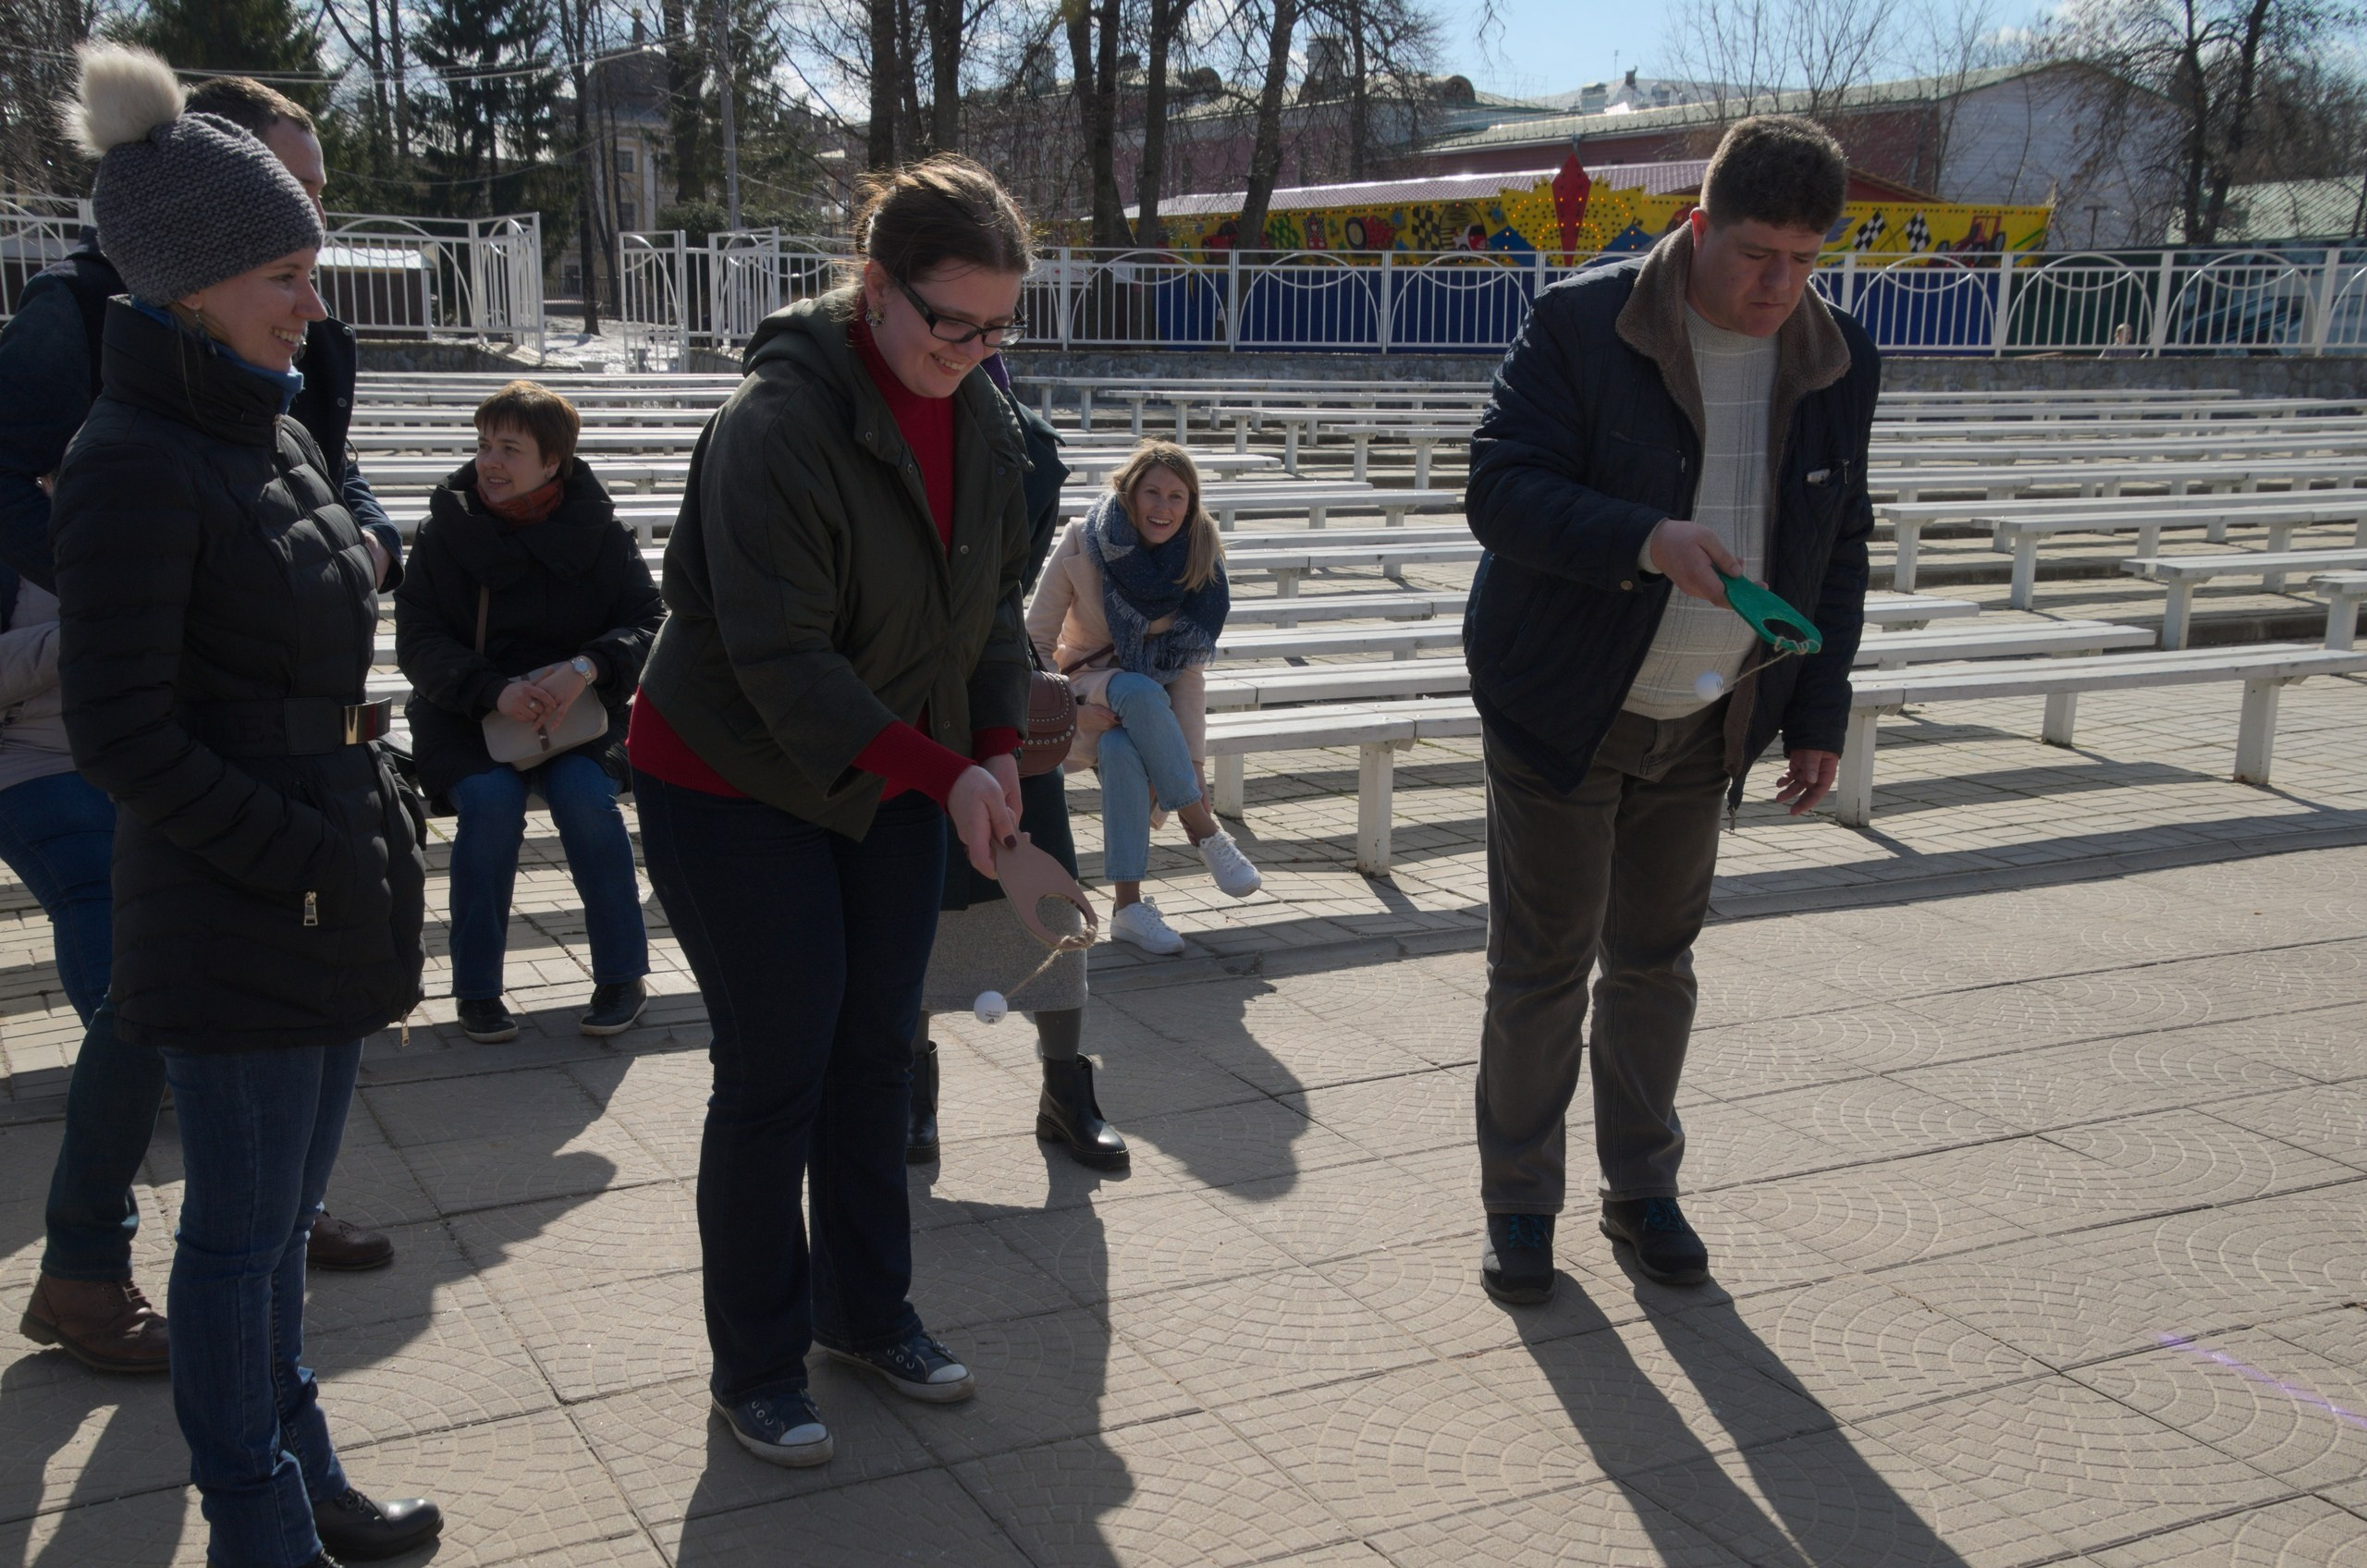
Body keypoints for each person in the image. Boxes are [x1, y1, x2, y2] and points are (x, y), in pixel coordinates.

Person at [46, 45, 440, 1565]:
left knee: (275, 1235)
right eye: (287, 274)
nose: (311, 304)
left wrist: (355, 827)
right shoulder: (131, 456)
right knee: (234, 1241)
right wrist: (299, 856)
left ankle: (302, 1471)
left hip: (316, 874)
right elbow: (121, 732)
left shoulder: (256, 420)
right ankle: (259, 1520)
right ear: (192, 286)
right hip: (241, 897)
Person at [627, 153, 1035, 1468]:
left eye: (998, 329)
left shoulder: (983, 415)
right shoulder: (777, 424)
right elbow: (783, 663)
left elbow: (986, 611)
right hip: (731, 778)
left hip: (892, 776)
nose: (973, 354)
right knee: (777, 1067)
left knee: (874, 1053)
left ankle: (867, 1313)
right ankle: (756, 1365)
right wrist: (946, 771)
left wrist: (993, 747)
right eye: (951, 323)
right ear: (875, 285)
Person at [1461, 115, 1879, 1303]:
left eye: (1804, 260)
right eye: (1755, 254)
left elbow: (1837, 542)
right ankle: (1519, 1204)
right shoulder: (1585, 324)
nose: (1778, 286)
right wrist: (1643, 538)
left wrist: (1818, 711)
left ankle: (1641, 1188)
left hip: (1711, 715)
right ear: (1698, 226)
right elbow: (1498, 488)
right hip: (1563, 704)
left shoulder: (1840, 354)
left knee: (1656, 963)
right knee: (1542, 966)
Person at [908, 353, 1125, 1171]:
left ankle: (1066, 1092)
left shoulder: (1008, 427)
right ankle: (908, 1092)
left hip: (995, 683)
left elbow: (1015, 543)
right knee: (907, 906)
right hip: (898, 689)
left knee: (1046, 886)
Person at [395, 381, 662, 1041]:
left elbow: (649, 623)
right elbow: (419, 640)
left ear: (553, 462)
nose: (489, 461)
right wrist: (493, 690)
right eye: (485, 444)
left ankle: (622, 976)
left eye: (509, 449)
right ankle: (477, 990)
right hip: (464, 712)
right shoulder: (445, 532)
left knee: (584, 798)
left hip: (579, 714)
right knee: (489, 804)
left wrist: (586, 668)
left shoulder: (599, 532)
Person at [1027, 440, 1260, 957]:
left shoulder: (1199, 558)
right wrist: (1073, 710)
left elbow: (1188, 673)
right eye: (1152, 492)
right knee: (1136, 688)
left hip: (1149, 718)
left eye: (1177, 496)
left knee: (1123, 745)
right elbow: (1036, 642)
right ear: (1129, 494)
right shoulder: (1084, 539)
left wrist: (1193, 764)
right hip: (1084, 691)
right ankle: (1204, 830)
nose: (1163, 507)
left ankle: (1128, 908)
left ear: (1191, 504)